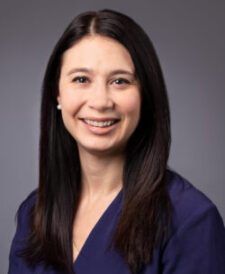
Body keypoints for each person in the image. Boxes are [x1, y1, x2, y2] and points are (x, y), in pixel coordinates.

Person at [8, 9, 225, 274]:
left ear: (145, 94)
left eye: (120, 81)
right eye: (81, 79)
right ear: (57, 93)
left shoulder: (190, 220)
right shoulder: (35, 213)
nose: (100, 101)